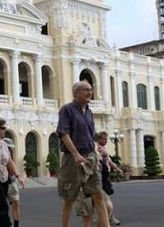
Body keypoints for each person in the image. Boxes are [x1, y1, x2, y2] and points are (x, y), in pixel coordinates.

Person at [56, 80, 110, 227]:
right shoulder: (67, 109)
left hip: (90, 157)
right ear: (76, 93)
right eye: (86, 89)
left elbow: (91, 137)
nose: (89, 92)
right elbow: (63, 133)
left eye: (90, 89)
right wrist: (75, 154)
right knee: (70, 197)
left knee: (98, 194)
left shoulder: (89, 112)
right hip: (73, 158)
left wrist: (96, 156)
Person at [95, 132, 122, 226]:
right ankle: (105, 220)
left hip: (105, 177)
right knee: (104, 201)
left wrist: (117, 168)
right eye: (104, 139)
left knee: (104, 199)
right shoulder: (96, 148)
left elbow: (109, 162)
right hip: (99, 176)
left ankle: (106, 219)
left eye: (106, 139)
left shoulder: (104, 149)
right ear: (98, 139)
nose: (106, 141)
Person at [3, 138, 21, 227]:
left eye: (10, 148)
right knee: (0, 207)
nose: (10, 149)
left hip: (11, 182)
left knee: (16, 203)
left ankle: (16, 225)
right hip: (0, 183)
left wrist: (18, 176)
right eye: (8, 148)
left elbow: (12, 165)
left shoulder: (10, 155)